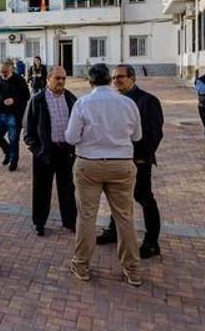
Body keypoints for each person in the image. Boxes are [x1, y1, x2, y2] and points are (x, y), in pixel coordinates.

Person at [65, 63, 143, 287]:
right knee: (125, 217)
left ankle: (81, 265)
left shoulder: (83, 103)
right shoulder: (128, 103)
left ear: (90, 82)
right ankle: (133, 270)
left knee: (87, 217)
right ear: (110, 80)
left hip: (89, 164)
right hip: (121, 164)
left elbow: (71, 138)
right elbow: (137, 136)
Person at [97, 65, 165, 259]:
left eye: (121, 77)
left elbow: (154, 133)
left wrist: (143, 157)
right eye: (114, 78)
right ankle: (113, 231)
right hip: (117, 159)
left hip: (138, 161)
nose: (117, 80)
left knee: (144, 199)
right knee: (117, 196)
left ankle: (152, 242)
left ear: (132, 78)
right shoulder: (114, 101)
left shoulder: (148, 101)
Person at [22, 65, 77, 237]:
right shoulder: (37, 100)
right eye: (57, 78)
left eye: (63, 78)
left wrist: (73, 148)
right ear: (48, 79)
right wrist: (37, 150)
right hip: (45, 152)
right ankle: (39, 223)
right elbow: (28, 130)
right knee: (41, 190)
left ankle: (70, 221)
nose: (61, 81)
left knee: (67, 188)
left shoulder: (71, 98)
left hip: (65, 151)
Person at [0, 59, 30, 171]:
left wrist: (14, 100)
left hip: (13, 115)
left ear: (11, 68)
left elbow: (27, 95)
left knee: (13, 139)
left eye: (5, 71)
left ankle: (13, 161)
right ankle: (7, 151)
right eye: (1, 71)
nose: (3, 74)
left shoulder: (19, 80)